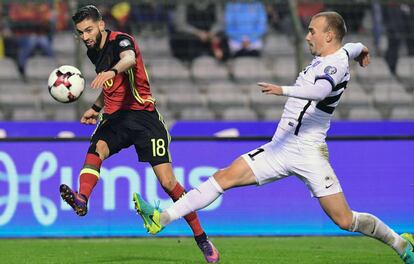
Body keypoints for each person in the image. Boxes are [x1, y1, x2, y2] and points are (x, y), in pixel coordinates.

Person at [133, 11, 414, 264]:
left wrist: (282, 89)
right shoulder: (338, 55)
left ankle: (400, 243)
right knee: (223, 176)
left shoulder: (335, 65)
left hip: (308, 152)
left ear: (329, 36)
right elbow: (350, 47)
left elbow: (319, 92)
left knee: (344, 219)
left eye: (312, 31)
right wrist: (361, 48)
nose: (307, 36)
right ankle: (162, 218)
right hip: (280, 148)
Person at [58, 5, 219, 263]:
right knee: (95, 148)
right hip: (116, 117)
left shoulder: (121, 40)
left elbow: (129, 60)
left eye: (89, 30)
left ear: (101, 25)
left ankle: (202, 238)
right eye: (80, 33)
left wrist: (110, 70)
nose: (85, 36)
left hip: (144, 116)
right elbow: (110, 84)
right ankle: (82, 198)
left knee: (168, 183)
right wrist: (95, 107)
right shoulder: (92, 51)